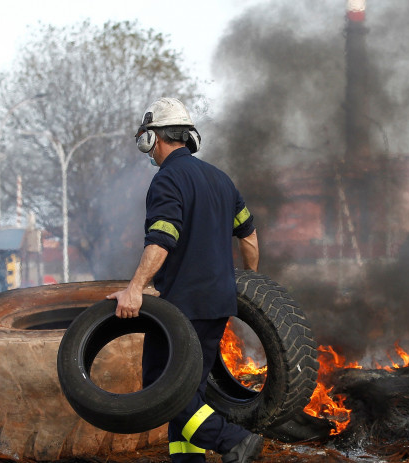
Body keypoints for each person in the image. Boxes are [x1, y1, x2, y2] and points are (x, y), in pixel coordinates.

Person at [106, 97, 263, 463]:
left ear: (154, 138)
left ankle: (232, 440)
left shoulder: (167, 179)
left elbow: (161, 239)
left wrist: (135, 288)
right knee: (188, 390)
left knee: (162, 388)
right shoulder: (221, 180)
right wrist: (249, 280)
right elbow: (250, 238)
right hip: (217, 305)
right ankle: (188, 460)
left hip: (182, 309)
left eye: (146, 138)